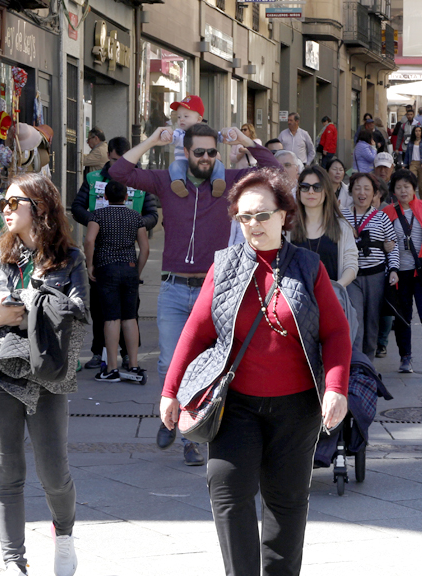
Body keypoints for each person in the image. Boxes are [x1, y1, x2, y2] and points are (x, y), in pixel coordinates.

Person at [159, 168, 351, 576]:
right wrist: (170, 390)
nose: (253, 225)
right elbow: (195, 331)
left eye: (262, 215)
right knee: (228, 493)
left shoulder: (309, 267)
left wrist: (336, 387)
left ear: (285, 215)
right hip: (236, 407)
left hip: (296, 409)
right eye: (244, 217)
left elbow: (335, 332)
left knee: (287, 504)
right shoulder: (224, 266)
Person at [110, 124, 280, 464]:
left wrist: (245, 141)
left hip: (211, 289)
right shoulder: (165, 182)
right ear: (186, 153)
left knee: (208, 365)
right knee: (168, 360)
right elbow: (118, 171)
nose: (205, 158)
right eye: (199, 151)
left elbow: (271, 169)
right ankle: (169, 414)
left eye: (211, 152)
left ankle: (192, 434)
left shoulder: (230, 181)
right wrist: (152, 141)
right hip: (174, 287)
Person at [0, 173, 86, 576]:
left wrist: (36, 300)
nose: (6, 210)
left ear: (41, 208)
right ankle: (13, 560)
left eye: (14, 203)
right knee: (7, 472)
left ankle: (64, 535)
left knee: (54, 472)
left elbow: (80, 310)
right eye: (5, 204)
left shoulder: (69, 257)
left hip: (45, 370)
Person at [72, 136, 158, 372]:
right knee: (105, 311)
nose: (120, 167)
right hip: (119, 260)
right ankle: (107, 356)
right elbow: (78, 206)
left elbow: (152, 214)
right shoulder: (93, 178)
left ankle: (116, 362)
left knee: (127, 312)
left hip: (107, 261)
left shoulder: (141, 180)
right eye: (116, 161)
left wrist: (121, 222)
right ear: (108, 156)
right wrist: (97, 221)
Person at [383, 169, 422, 375]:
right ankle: (405, 357)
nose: (403, 191)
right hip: (399, 273)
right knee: (403, 317)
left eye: (407, 186)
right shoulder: (387, 213)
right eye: (399, 187)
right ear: (393, 190)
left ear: (413, 189)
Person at [85, 180, 150, 382]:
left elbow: (89, 240)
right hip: (130, 269)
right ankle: (134, 364)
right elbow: (145, 248)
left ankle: (111, 368)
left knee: (111, 318)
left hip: (107, 269)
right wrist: (137, 270)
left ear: (105, 197)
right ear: (126, 197)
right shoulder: (135, 217)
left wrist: (89, 264)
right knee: (130, 317)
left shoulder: (98, 215)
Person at [342, 172, 400, 359]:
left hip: (376, 276)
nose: (362, 192)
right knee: (355, 319)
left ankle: (368, 363)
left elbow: (393, 245)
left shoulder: (381, 217)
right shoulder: (341, 216)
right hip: (351, 276)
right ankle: (357, 362)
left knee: (373, 321)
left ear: (375, 194)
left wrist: (393, 270)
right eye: (357, 187)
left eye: (367, 189)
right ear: (351, 191)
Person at [291, 166, 359, 288]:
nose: (311, 191)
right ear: (299, 192)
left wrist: (337, 286)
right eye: (305, 187)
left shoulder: (342, 227)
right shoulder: (288, 229)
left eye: (317, 187)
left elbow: (351, 264)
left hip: (332, 298)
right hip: (299, 299)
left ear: (326, 190)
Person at [168, 95, 227, 198]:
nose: (181, 120)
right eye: (179, 117)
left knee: (218, 164)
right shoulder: (179, 133)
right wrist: (166, 135)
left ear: (199, 119)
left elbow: (219, 136)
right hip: (183, 162)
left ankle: (217, 182)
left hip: (201, 164)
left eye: (186, 116)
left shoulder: (205, 132)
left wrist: (229, 134)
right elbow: (172, 138)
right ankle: (179, 183)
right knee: (174, 166)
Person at [404, 124, 422, 198]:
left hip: (421, 164)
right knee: (413, 182)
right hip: (413, 163)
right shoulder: (411, 142)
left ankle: (421, 199)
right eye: (416, 131)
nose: (418, 133)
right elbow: (407, 154)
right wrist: (404, 164)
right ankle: (413, 199)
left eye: (419, 131)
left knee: (421, 184)